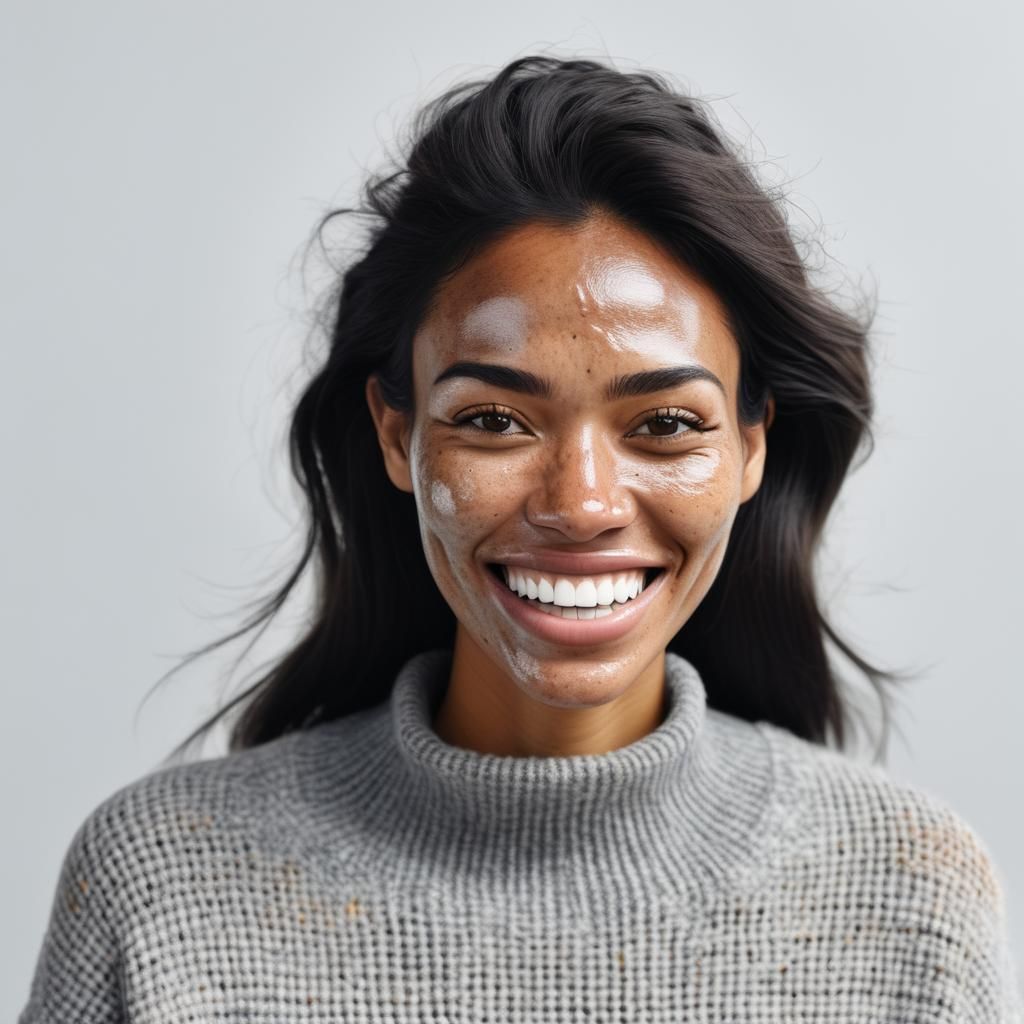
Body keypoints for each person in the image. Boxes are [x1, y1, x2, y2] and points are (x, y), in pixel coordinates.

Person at [20, 55, 1022, 1022]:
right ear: (398, 435)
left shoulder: (907, 898)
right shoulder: (159, 891)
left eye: (666, 424)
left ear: (750, 448)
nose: (581, 504)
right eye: (494, 420)